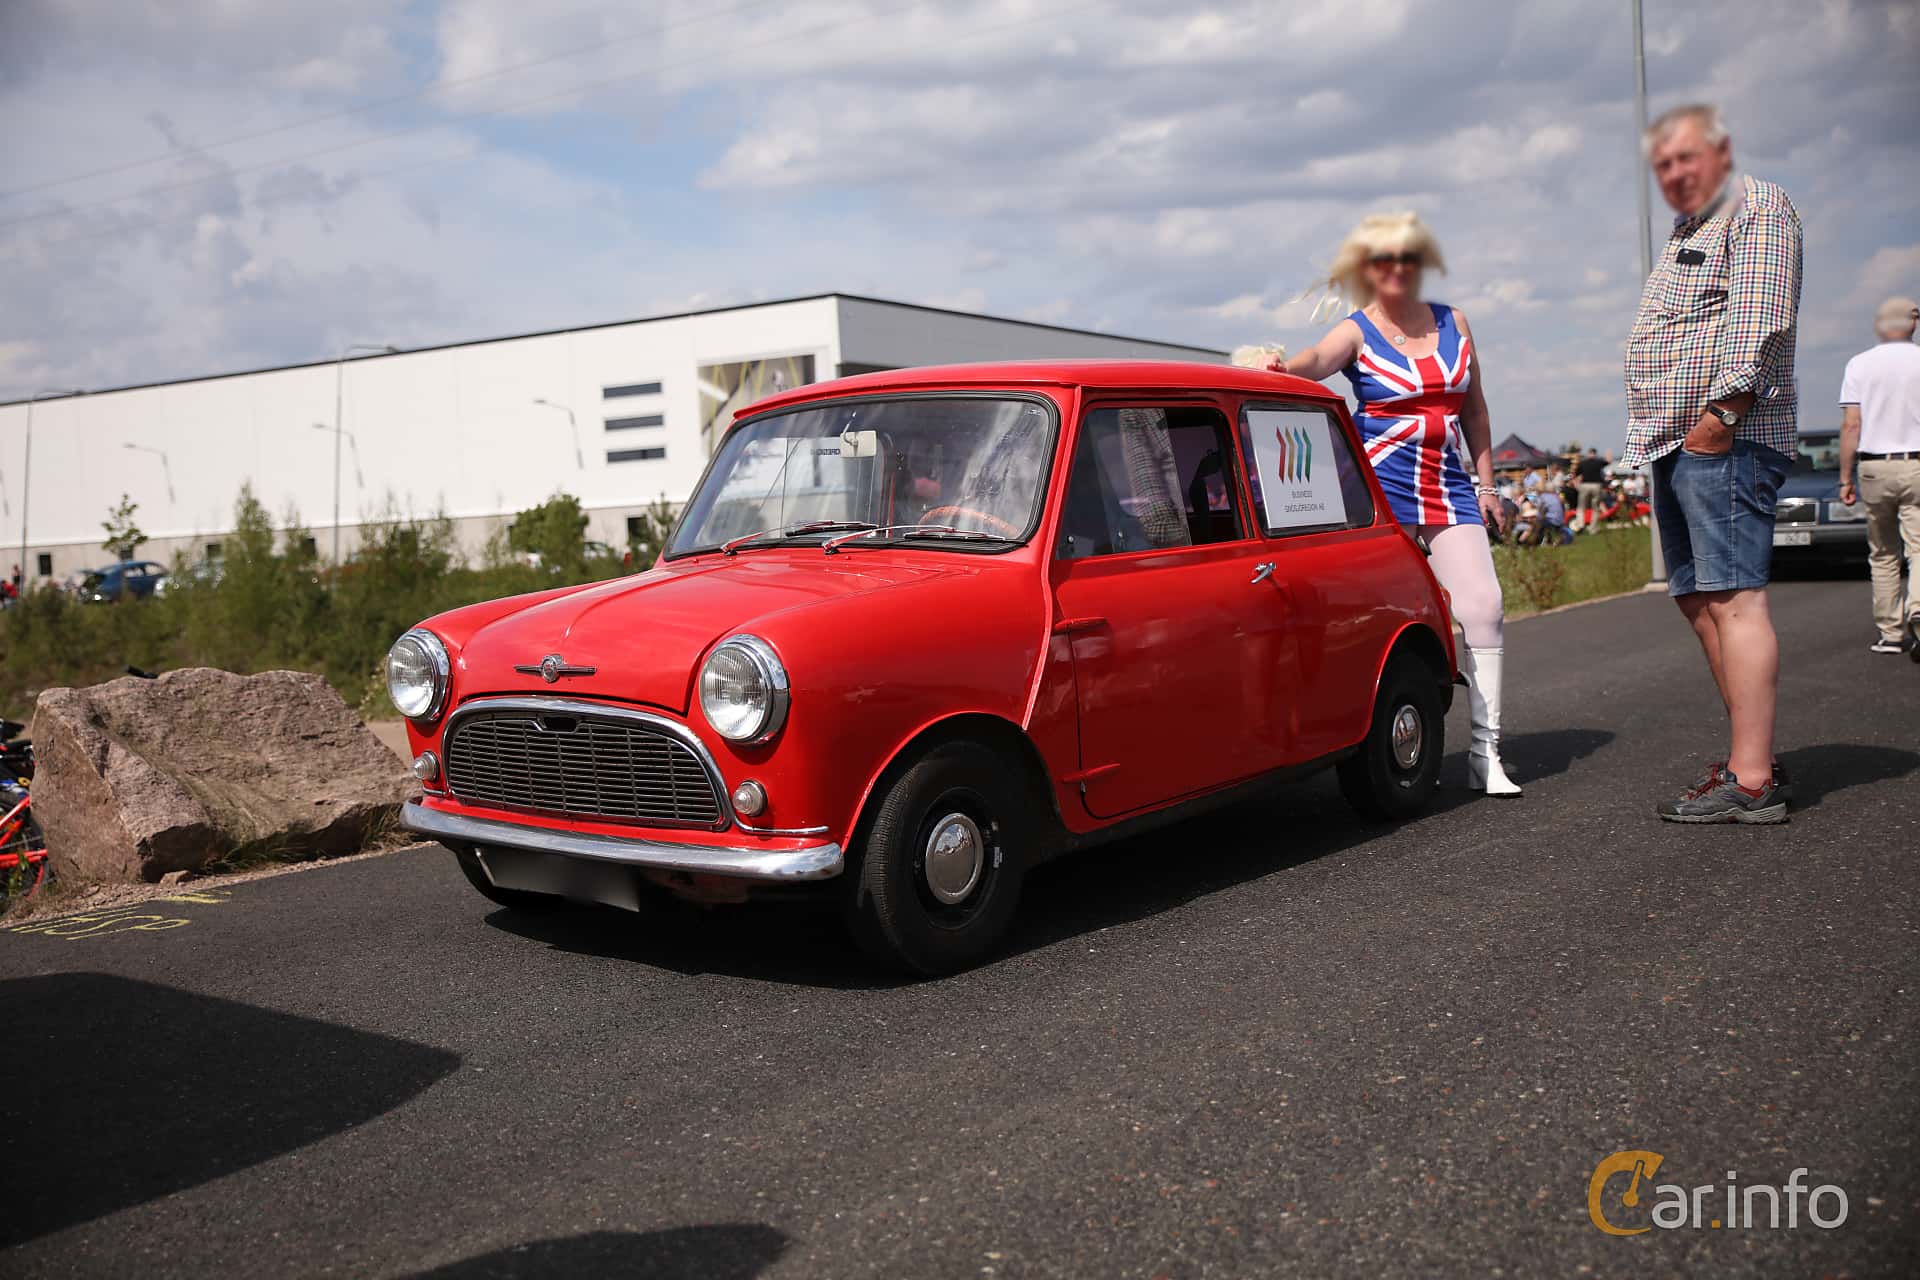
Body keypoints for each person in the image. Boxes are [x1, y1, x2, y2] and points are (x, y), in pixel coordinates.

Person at [1272, 211, 1520, 796]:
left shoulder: (1454, 320)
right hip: (1377, 492)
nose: (1397, 270)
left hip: (1447, 485)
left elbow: (1475, 410)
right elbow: (1315, 363)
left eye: (1407, 258)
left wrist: (1487, 486)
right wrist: (1281, 366)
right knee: (1379, 620)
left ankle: (1486, 754)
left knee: (1484, 606)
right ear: (1368, 270)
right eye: (1384, 260)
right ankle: (1366, 744)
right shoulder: (1356, 330)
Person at [1624, 104, 1801, 824]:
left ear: (1722, 152)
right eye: (1661, 166)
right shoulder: (1688, 227)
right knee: (1700, 603)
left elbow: (1759, 319)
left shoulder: (1755, 205)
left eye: (1685, 159)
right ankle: (1745, 756)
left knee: (1734, 599)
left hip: (1723, 435)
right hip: (1676, 439)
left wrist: (1718, 421)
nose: (1673, 175)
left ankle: (1753, 782)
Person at [1837, 296, 1920, 658]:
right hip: (1917, 464)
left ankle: (1891, 633)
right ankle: (1918, 609)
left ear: (1879, 325)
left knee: (1883, 552)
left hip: (1873, 466)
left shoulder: (1860, 364)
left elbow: (1852, 425)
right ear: (1913, 324)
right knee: (1918, 546)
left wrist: (1845, 478)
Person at [1574, 448, 1608, 531]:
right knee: (1595, 508)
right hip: (1597, 485)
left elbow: (1576, 474)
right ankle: (1593, 528)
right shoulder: (1599, 462)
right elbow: (1607, 462)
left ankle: (1581, 525)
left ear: (1588, 454)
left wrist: (1576, 483)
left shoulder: (1583, 463)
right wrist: (1608, 455)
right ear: (1595, 454)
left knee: (1581, 507)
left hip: (1585, 485)